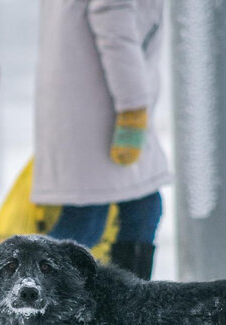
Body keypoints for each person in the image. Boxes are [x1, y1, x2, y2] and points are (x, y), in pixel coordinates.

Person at [32, 0, 171, 281]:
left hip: (90, 103)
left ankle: (127, 314)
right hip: (107, 109)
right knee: (90, 219)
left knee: (136, 208)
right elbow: (113, 19)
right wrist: (133, 108)